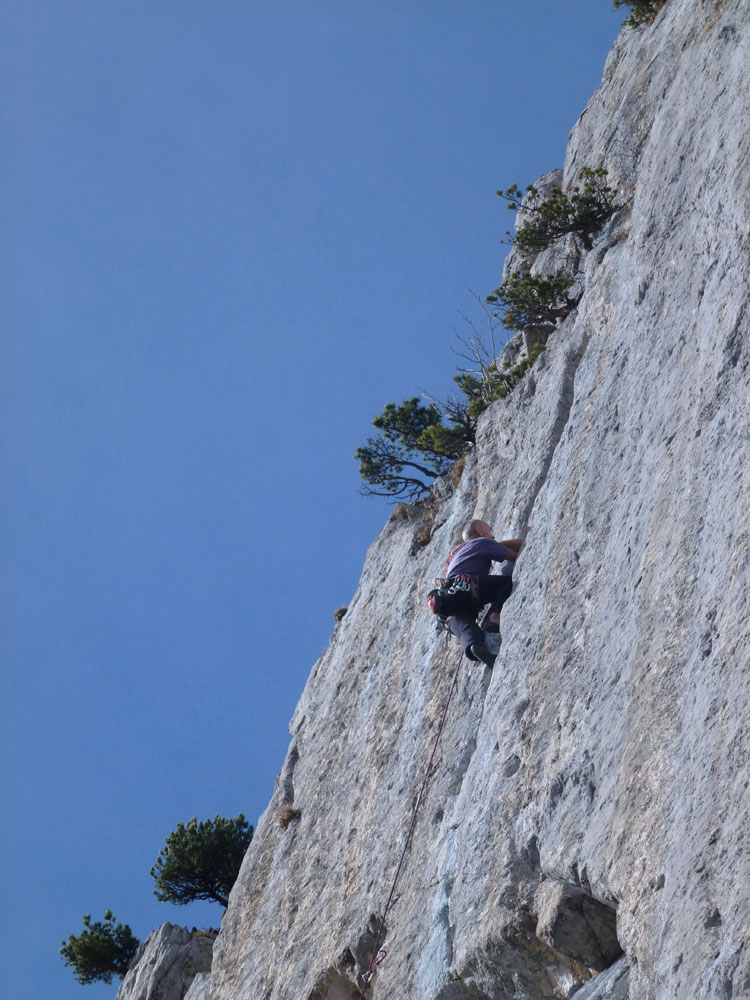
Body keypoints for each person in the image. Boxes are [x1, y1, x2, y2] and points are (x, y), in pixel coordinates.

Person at [442, 519, 523, 666]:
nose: (492, 536)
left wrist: (495, 545)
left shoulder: (456, 553)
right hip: (467, 587)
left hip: (446, 600)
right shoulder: (481, 542)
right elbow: (514, 555)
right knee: (505, 582)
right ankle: (494, 617)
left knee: (467, 630)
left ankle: (475, 649)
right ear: (479, 531)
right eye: (489, 531)